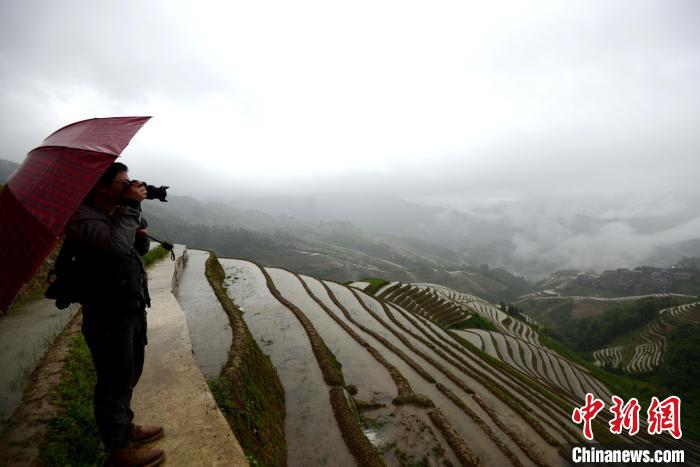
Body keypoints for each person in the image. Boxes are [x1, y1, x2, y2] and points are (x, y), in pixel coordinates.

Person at [64, 162, 165, 467]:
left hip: (129, 306)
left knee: (129, 373)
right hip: (107, 313)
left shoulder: (114, 213)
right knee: (113, 381)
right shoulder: (82, 217)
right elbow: (115, 248)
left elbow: (139, 249)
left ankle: (125, 428)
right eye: (123, 183)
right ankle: (118, 450)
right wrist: (132, 206)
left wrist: (141, 230)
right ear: (101, 186)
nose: (129, 186)